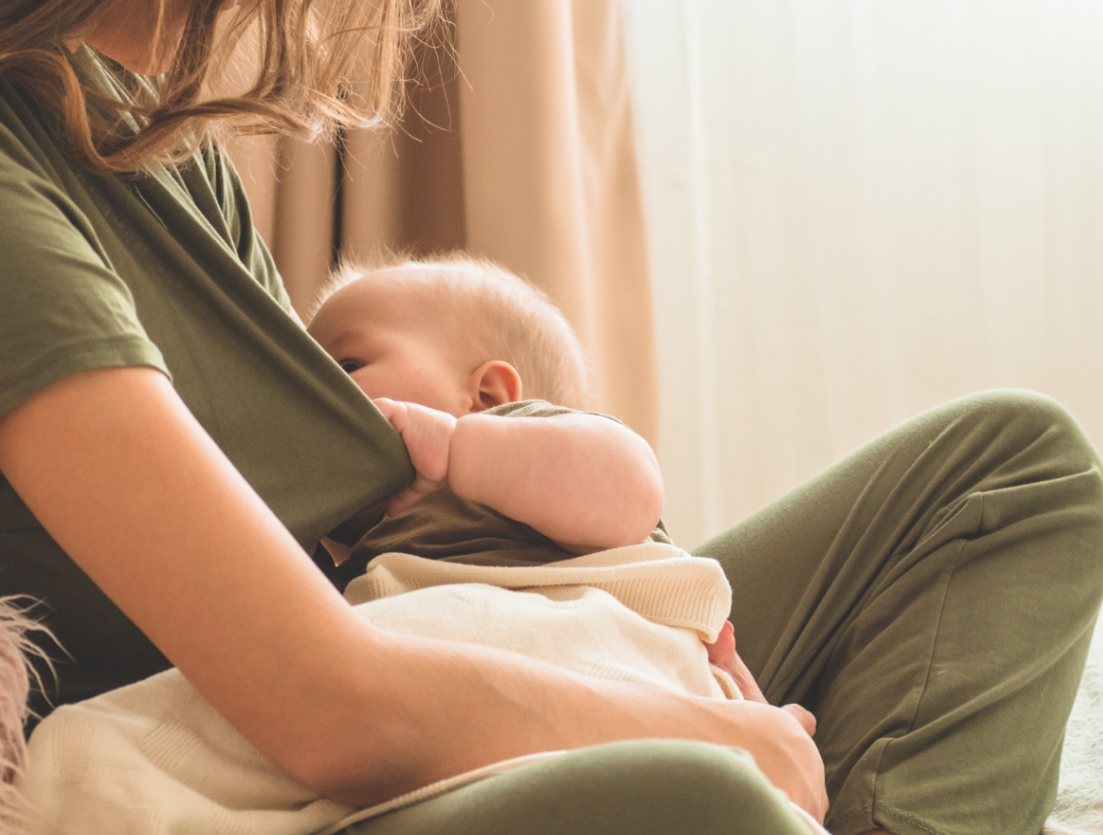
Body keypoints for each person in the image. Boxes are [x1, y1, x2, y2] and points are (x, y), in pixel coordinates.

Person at [0, 0, 1103, 835]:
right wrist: (706, 730)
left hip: (421, 632)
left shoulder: (126, 123)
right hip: (289, 791)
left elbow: (361, 525)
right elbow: (322, 706)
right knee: (704, 810)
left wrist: (620, 626)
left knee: (1014, 468)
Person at [302, 253, 771, 702]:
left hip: (610, 679)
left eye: (345, 367)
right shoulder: (348, 562)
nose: (314, 397)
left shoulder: (536, 456)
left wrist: (457, 448)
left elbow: (632, 492)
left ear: (489, 396)